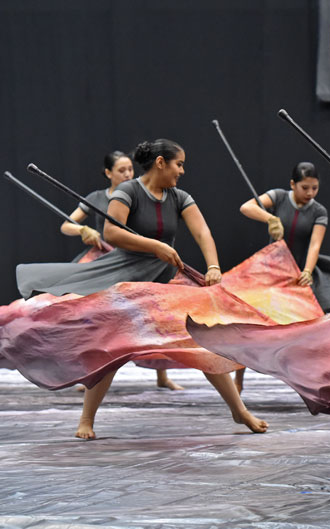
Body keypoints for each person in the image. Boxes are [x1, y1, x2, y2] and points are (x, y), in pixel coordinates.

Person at [16, 139, 267, 439]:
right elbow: (112, 232)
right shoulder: (128, 191)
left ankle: (239, 412)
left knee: (199, 342)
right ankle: (86, 419)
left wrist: (213, 266)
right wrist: (154, 246)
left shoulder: (180, 197)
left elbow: (202, 232)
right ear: (161, 162)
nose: (182, 171)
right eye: (179, 164)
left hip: (162, 284)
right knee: (112, 349)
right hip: (125, 282)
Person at [237, 162, 330, 391]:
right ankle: (238, 380)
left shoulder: (319, 211)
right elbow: (247, 207)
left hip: (301, 273)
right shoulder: (279, 197)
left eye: (315, 188)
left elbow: (314, 245)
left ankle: (319, 379)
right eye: (305, 188)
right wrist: (270, 219)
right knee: (250, 322)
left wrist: (307, 272)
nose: (310, 193)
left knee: (314, 325)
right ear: (292, 184)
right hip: (272, 271)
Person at [60, 151, 182, 391]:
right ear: (108, 173)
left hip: (138, 262)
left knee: (154, 313)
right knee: (97, 320)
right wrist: (82, 230)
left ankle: (162, 375)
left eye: (130, 169)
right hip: (107, 261)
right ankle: (91, 373)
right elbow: (66, 224)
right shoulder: (96, 198)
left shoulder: (138, 193)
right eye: (121, 170)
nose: (127, 174)